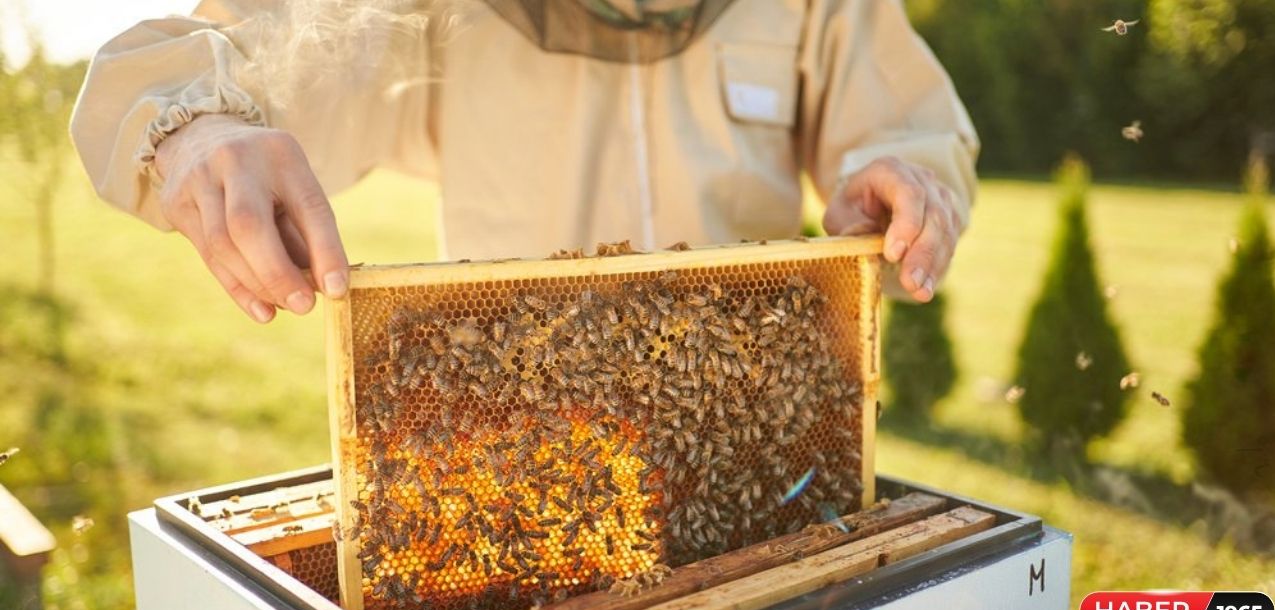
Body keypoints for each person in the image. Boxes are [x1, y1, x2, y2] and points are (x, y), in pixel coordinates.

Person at [70, 0, 978, 324]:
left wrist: (901, 184)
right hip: (524, 454)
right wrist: (196, 130)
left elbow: (907, 128)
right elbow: (206, 57)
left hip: (763, 479)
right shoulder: (424, 5)